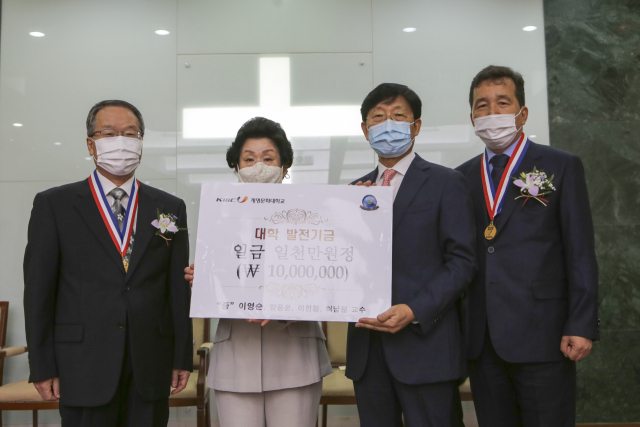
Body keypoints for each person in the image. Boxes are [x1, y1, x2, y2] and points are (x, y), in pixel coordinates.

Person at [23, 100, 193, 427]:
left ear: (141, 143)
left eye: (130, 133)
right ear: (91, 143)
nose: (121, 142)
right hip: (81, 362)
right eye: (109, 133)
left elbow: (176, 287)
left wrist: (181, 355)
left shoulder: (170, 207)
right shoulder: (54, 205)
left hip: (151, 360)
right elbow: (39, 292)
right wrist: (42, 365)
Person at [456, 65, 599, 427]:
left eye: (502, 103)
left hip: (545, 333)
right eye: (482, 105)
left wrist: (581, 323)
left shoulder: (560, 166)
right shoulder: (460, 178)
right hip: (482, 337)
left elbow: (579, 250)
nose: (492, 114)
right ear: (471, 115)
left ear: (522, 113)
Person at [183, 117, 332, 427]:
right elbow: (218, 275)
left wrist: (284, 303)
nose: (258, 166)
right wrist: (204, 280)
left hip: (295, 352)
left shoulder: (313, 214)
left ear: (285, 165)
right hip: (237, 352)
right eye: (249, 159)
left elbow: (327, 278)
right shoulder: (218, 215)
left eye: (268, 158)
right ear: (237, 166)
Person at [347, 83, 477, 427]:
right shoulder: (351, 194)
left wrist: (415, 309)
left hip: (427, 346)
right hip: (368, 352)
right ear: (365, 130)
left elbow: (462, 262)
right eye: (378, 117)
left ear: (415, 126)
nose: (387, 124)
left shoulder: (446, 183)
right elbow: (342, 264)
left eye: (398, 116)